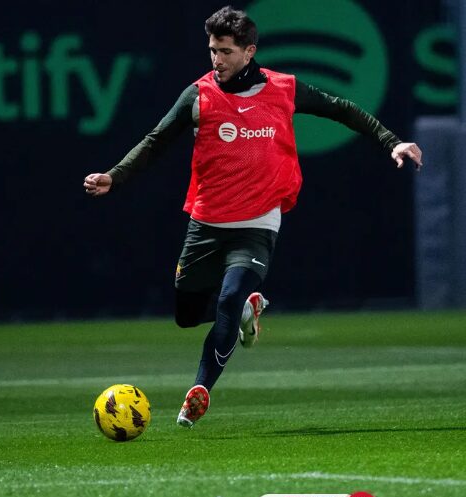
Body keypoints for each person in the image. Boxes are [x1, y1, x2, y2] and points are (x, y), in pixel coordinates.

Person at [83, 6, 422, 428]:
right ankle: (244, 309)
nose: (216, 59)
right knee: (187, 314)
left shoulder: (284, 88)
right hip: (206, 223)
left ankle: (200, 390)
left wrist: (391, 140)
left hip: (258, 223)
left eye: (225, 51)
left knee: (226, 299)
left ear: (249, 52)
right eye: (212, 50)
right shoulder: (198, 95)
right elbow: (156, 141)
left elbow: (343, 108)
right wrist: (114, 177)